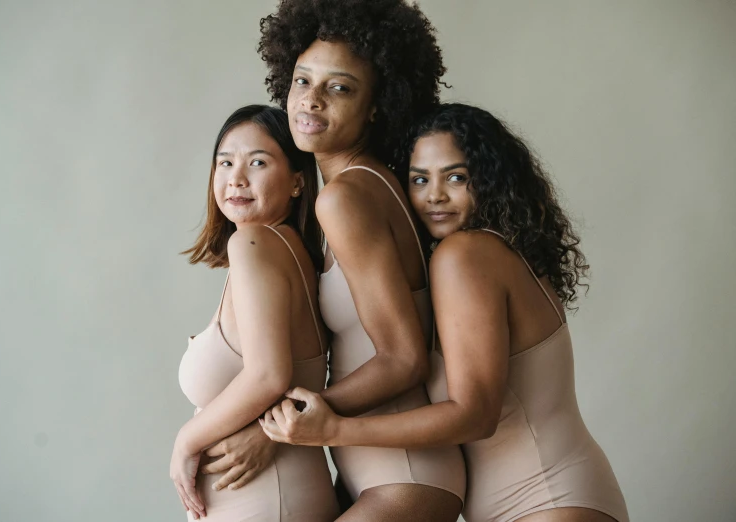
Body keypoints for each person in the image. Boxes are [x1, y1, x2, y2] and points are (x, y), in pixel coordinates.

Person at [261, 103, 631, 522]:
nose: (434, 195)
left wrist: (333, 430)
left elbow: (476, 414)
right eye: (420, 179)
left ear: (490, 181)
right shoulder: (496, 252)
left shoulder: (466, 255)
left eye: (456, 177)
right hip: (552, 496)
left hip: (548, 500)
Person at [213, 1, 467, 521]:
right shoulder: (365, 185)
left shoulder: (345, 197)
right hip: (379, 473)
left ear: (377, 105)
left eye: (340, 87)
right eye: (303, 80)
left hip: (403, 474)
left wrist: (286, 425)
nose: (311, 100)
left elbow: (403, 357)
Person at [171, 104, 339, 521]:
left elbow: (268, 376)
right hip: (277, 494)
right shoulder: (289, 252)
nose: (236, 178)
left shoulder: (253, 244)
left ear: (298, 182)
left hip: (267, 501)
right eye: (224, 163)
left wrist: (185, 441)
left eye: (257, 162)